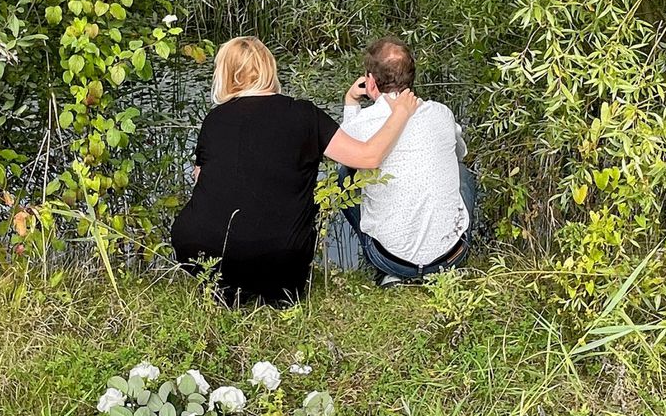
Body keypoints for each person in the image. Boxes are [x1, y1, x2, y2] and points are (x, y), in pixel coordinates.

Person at [172, 36, 419, 306]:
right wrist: (400, 114)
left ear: (225, 74)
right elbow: (368, 157)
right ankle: (275, 292)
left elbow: (201, 179)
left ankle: (226, 288)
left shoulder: (214, 120)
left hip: (201, 252)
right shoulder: (304, 115)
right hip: (280, 258)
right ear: (270, 68)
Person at [338, 36, 475, 285]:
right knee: (463, 172)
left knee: (343, 175)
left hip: (389, 259)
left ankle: (391, 272)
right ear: (411, 77)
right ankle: (441, 255)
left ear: (370, 81)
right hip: (451, 256)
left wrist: (351, 103)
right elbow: (459, 154)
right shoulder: (441, 113)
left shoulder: (362, 123)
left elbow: (350, 152)